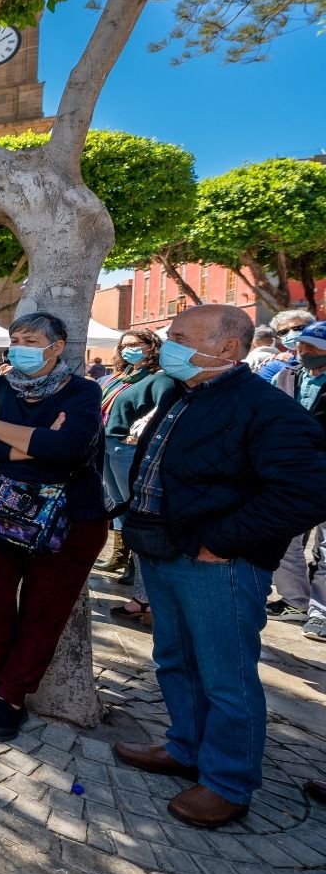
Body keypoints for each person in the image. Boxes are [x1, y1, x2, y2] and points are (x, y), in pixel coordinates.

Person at [112, 303, 326, 828]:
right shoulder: (182, 394)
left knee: (225, 677)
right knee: (174, 659)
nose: (169, 345)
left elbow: (306, 491)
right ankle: (185, 747)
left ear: (228, 347)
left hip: (217, 563)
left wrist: (223, 542)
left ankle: (228, 783)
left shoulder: (265, 407)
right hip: (164, 549)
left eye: (182, 336)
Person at [0, 312, 106, 742]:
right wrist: (33, 444)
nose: (19, 345)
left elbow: (70, 449)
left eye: (31, 339)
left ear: (56, 346)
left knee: (44, 612)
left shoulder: (82, 391)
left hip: (68, 520)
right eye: (16, 337)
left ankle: (13, 695)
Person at [97, 330, 172, 628]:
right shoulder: (123, 376)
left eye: (135, 345)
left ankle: (149, 598)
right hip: (107, 448)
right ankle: (142, 593)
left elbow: (164, 413)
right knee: (125, 518)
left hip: (129, 452)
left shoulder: (160, 377)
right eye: (124, 345)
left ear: (151, 347)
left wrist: (138, 435)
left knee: (139, 521)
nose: (128, 350)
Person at [266, 320, 326, 640]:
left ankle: (321, 611)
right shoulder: (285, 376)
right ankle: (294, 600)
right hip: (290, 472)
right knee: (284, 540)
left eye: (313, 348)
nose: (303, 351)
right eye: (301, 345)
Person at [257, 309, 311, 383]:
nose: (291, 334)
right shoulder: (273, 365)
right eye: (283, 332)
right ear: (279, 337)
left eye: (297, 328)